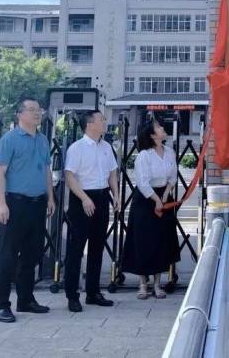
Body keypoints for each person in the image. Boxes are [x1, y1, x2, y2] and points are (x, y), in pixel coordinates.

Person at [0, 96, 55, 323]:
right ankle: (1, 305)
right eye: (32, 110)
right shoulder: (9, 140)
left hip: (38, 204)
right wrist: (1, 203)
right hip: (15, 203)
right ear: (20, 114)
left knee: (32, 253)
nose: (37, 113)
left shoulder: (43, 140)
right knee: (8, 255)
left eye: (39, 110)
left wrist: (50, 197)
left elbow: (46, 170)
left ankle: (26, 299)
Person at [63, 110, 120, 312]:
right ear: (89, 124)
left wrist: (116, 194)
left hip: (102, 197)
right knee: (76, 248)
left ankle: (93, 292)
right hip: (82, 199)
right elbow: (69, 176)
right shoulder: (77, 148)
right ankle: (72, 295)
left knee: (97, 247)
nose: (105, 122)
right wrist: (84, 198)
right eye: (101, 119)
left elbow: (112, 172)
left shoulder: (106, 147)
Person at [121, 120, 180, 299]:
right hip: (146, 200)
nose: (163, 128)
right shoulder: (144, 156)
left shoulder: (169, 152)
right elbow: (142, 182)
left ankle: (157, 283)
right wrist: (156, 199)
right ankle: (142, 283)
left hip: (164, 195)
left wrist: (166, 194)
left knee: (161, 240)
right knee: (144, 241)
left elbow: (173, 176)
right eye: (159, 128)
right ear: (153, 135)